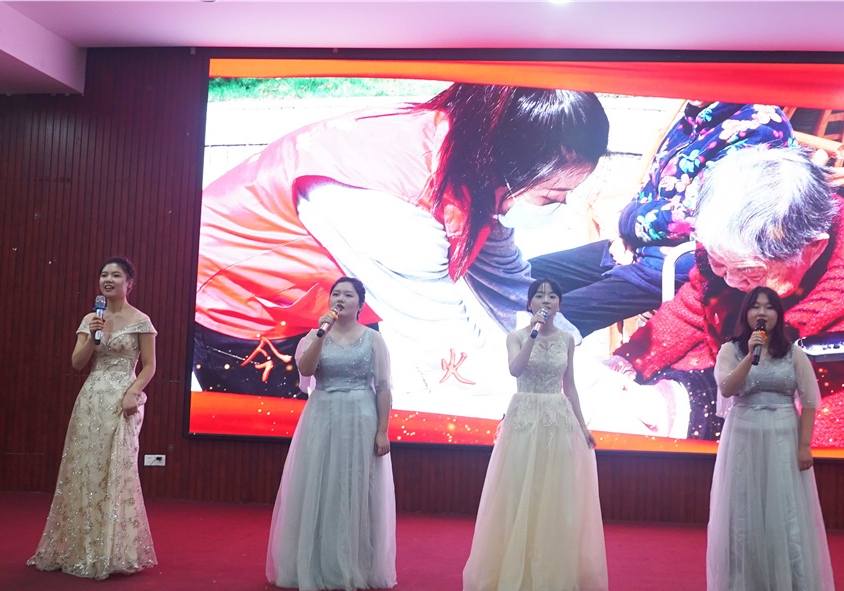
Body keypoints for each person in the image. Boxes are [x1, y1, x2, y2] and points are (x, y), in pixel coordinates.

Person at [194, 83, 609, 420]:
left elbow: (513, 290)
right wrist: (569, 402)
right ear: (508, 166)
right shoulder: (393, 205)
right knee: (285, 445)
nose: (561, 206)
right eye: (551, 195)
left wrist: (578, 364)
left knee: (354, 420)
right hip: (240, 306)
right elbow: (448, 345)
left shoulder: (473, 156)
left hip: (328, 298)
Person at [611, 147, 844, 445]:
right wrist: (627, 362)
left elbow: (826, 440)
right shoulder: (734, 233)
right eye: (718, 263)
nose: (729, 280)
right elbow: (696, 305)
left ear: (812, 248)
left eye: (749, 272)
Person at [529, 102, 794, 337]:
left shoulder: (760, 127)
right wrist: (623, 233)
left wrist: (626, 222)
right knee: (527, 276)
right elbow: (651, 185)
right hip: (639, 245)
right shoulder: (693, 117)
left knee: (550, 318)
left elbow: (700, 216)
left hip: (680, 262)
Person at [462, 278, 609, 591]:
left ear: (560, 304)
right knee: (519, 490)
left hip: (557, 417)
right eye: (539, 296)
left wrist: (583, 426)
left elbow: (570, 386)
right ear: (529, 304)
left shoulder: (567, 339)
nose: (546, 300)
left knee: (554, 494)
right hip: (525, 417)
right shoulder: (515, 336)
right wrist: (533, 332)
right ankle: (512, 573)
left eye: (552, 296)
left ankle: (551, 575)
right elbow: (516, 370)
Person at [707, 286, 834, 591]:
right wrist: (750, 355)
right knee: (744, 510)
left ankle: (789, 588)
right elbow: (727, 388)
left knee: (784, 510)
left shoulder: (794, 353)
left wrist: (804, 446)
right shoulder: (731, 350)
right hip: (742, 436)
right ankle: (746, 588)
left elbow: (809, 402)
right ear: (745, 314)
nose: (762, 313)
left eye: (769, 307)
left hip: (783, 436)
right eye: (755, 307)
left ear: (779, 314)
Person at [28, 257, 158, 579]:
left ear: (129, 283)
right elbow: (77, 363)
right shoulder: (91, 318)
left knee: (116, 468)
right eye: (103, 275)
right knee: (85, 468)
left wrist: (132, 393)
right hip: (91, 397)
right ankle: (80, 546)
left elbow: (150, 366)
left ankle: (114, 550)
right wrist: (90, 336)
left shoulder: (141, 320)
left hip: (123, 399)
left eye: (116, 275)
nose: (108, 280)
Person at [265, 277, 397, 591]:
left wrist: (382, 431)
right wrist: (320, 335)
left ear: (361, 304)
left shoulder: (374, 339)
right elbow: (306, 370)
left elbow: (383, 388)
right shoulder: (315, 336)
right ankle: (316, 563)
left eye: (348, 295)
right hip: (322, 414)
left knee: (355, 485)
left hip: (361, 416)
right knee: (319, 482)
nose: (340, 299)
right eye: (336, 294)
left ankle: (354, 563)